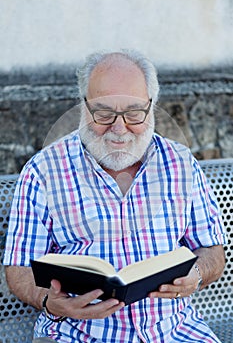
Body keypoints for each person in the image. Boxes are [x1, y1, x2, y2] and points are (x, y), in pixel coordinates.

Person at [4, 50, 227, 343]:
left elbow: (212, 251)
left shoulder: (181, 162)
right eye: (104, 113)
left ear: (152, 106)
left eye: (134, 113)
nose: (119, 128)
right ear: (83, 106)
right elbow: (19, 268)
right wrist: (49, 301)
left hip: (174, 331)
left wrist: (196, 274)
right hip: (78, 334)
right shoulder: (43, 170)